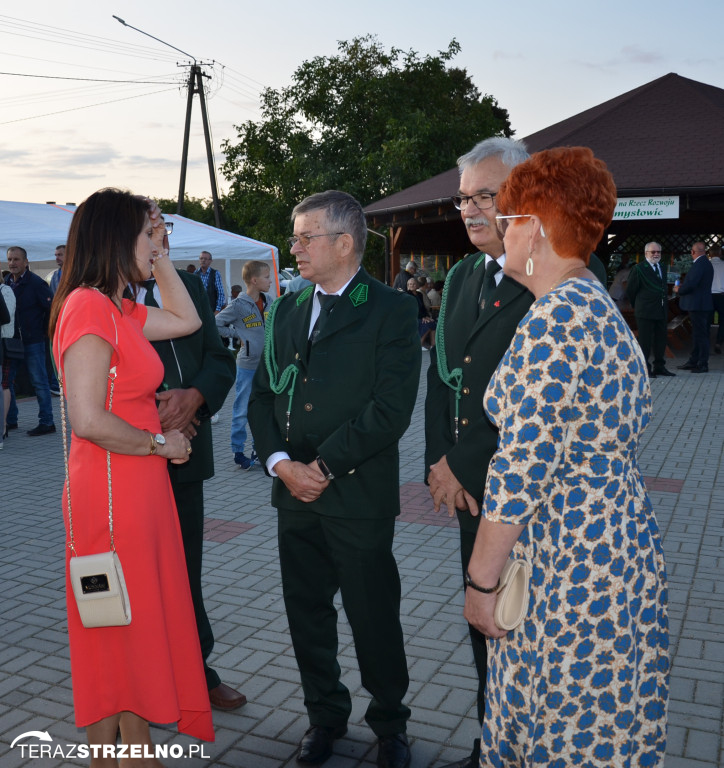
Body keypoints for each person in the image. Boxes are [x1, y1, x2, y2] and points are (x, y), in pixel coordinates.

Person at [464, 146, 669, 767]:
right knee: (603, 714)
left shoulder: (555, 318)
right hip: (612, 541)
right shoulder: (595, 305)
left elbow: (519, 471)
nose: (502, 227)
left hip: (569, 559)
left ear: (537, 229)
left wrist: (480, 581)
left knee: (562, 719)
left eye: (511, 216)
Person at [248, 190, 420, 768]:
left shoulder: (391, 309)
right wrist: (280, 465)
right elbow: (264, 396)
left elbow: (389, 410)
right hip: (293, 493)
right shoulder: (286, 310)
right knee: (307, 612)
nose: (293, 247)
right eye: (295, 237)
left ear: (344, 243)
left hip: (356, 495)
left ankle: (390, 725)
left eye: (304, 237)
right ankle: (324, 717)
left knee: (373, 614)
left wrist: (320, 468)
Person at [50, 189, 214, 760]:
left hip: (138, 489)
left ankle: (135, 752)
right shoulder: (88, 306)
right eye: (149, 236)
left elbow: (188, 318)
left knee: (133, 630)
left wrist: (162, 252)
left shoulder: (120, 308)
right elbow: (89, 419)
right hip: (112, 493)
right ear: (117, 239)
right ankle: (109, 756)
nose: (157, 244)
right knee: (111, 633)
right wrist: (158, 443)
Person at [424, 136, 533, 768]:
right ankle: (493, 739)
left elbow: (539, 403)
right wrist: (440, 465)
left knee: (527, 624)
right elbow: (445, 376)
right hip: (469, 488)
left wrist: (461, 462)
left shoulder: (557, 273)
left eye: (485, 195)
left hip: (529, 493)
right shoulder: (464, 274)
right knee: (483, 619)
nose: (469, 210)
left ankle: (526, 746)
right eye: (463, 198)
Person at [136, 217, 242, 712]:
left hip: (185, 457)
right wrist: (155, 418)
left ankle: (197, 671)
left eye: (164, 227)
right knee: (138, 578)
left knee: (185, 573)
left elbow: (219, 360)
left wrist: (194, 399)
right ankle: (140, 688)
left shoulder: (191, 287)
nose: (161, 237)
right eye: (151, 228)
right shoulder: (100, 296)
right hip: (129, 460)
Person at [215, 259, 273, 470]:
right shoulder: (238, 306)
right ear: (255, 280)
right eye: (267, 277)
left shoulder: (270, 302)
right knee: (241, 408)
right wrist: (237, 335)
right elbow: (216, 324)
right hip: (247, 365)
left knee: (264, 408)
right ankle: (238, 451)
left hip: (267, 366)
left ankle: (260, 449)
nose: (270, 281)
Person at [4, 246, 56, 435]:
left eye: (16, 259)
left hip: (33, 340)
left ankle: (47, 422)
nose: (12, 263)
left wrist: (43, 332)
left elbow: (51, 309)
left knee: (39, 382)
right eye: (9, 259)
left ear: (26, 262)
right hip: (13, 341)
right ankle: (10, 421)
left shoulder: (36, 283)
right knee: (7, 382)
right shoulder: (7, 282)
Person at [626, 242, 676, 377]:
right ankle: (645, 368)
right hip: (645, 311)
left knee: (661, 340)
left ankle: (659, 367)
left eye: (658, 252)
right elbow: (631, 291)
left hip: (661, 310)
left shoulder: (662, 266)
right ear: (646, 253)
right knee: (645, 342)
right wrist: (638, 305)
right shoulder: (639, 269)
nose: (656, 254)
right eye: (653, 252)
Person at [675, 241, 714, 373]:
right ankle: (694, 360)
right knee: (698, 335)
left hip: (698, 305)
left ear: (693, 252)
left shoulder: (699, 264)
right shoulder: (706, 263)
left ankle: (702, 364)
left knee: (701, 335)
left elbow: (691, 284)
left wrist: (678, 290)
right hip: (701, 304)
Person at [0, 281, 14, 449]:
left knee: (3, 386)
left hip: (5, 344)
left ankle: (2, 430)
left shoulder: (6, 291)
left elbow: (6, 317)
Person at [407, 276, 436, 349]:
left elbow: (422, 307)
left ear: (417, 285)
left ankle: (433, 345)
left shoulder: (419, 294)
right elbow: (413, 309)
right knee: (428, 324)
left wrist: (426, 316)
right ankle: (420, 343)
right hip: (413, 317)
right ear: (408, 286)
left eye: (413, 284)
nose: (412, 285)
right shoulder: (407, 295)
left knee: (433, 322)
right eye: (410, 284)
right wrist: (423, 317)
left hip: (421, 316)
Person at [708, 245, 724, 353]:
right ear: (720, 253)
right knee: (723, 320)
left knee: (706, 320)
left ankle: (705, 342)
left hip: (708, 296)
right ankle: (718, 342)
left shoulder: (706, 265)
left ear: (709, 254)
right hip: (722, 296)